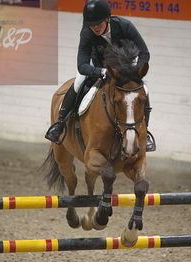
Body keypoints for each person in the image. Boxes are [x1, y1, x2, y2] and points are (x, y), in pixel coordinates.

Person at [45, 0, 156, 152]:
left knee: (143, 88)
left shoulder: (125, 26)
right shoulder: (86, 32)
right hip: (98, 66)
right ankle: (60, 123)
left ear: (107, 19)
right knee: (78, 82)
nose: (95, 28)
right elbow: (82, 65)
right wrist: (101, 72)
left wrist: (135, 72)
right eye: (91, 24)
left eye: (98, 23)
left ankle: (146, 132)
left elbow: (144, 53)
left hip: (125, 67)